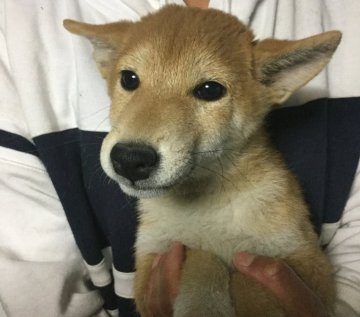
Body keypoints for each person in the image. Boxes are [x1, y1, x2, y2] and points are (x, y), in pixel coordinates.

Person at [0, 0, 359, 316]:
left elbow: (316, 282)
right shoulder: (18, 26)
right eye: (130, 78)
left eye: (209, 90)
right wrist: (202, 275)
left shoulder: (275, 200)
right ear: (108, 62)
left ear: (273, 78)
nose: (145, 128)